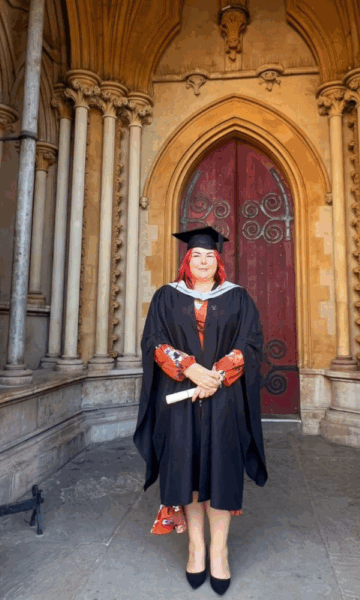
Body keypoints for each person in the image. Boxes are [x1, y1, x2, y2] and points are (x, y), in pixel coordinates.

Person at [133, 226, 268, 596]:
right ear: (186, 260)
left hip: (225, 400)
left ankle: (219, 552)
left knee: (221, 472)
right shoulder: (166, 296)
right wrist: (189, 368)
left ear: (218, 261)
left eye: (210, 256)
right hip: (180, 398)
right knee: (188, 473)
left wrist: (217, 377)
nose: (203, 261)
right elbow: (154, 341)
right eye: (197, 256)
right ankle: (196, 548)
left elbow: (251, 343)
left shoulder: (238, 298)